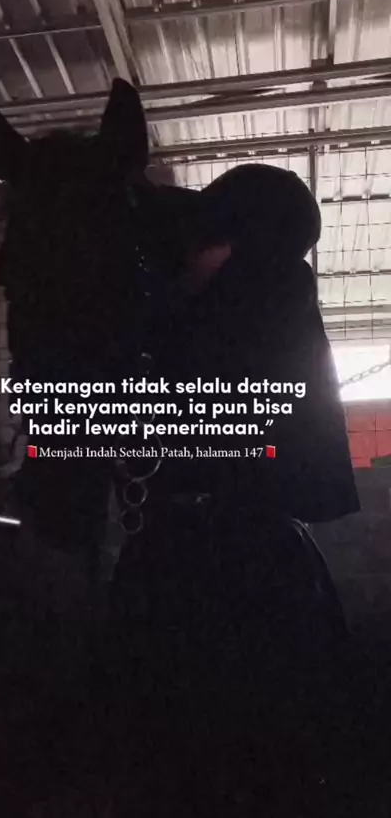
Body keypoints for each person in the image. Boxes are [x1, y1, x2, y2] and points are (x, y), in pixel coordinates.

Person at [103, 164, 360, 817]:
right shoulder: (255, 299)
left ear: (235, 247)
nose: (190, 254)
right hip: (235, 545)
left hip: (227, 552)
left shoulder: (250, 302)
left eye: (208, 242)